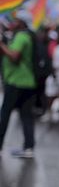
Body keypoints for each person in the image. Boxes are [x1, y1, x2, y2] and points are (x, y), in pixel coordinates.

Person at [0, 17, 37, 158]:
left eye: (14, 21)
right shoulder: (24, 36)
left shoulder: (21, 36)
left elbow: (14, 56)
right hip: (28, 82)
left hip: (16, 82)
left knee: (5, 113)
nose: (11, 23)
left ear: (21, 23)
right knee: (26, 115)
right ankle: (29, 147)